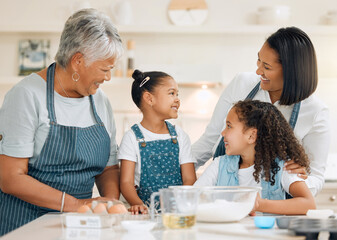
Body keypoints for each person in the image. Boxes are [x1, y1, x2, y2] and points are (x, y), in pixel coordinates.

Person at [0, 9, 123, 235]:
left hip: (80, 228)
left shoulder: (100, 101)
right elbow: (10, 178)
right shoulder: (26, 96)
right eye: (105, 69)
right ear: (78, 61)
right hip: (26, 227)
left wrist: (109, 203)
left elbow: (108, 167)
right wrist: (76, 205)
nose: (108, 77)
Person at [192, 27, 330, 197]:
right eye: (258, 61)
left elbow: (316, 176)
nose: (258, 71)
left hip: (275, 211)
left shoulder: (316, 112)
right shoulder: (242, 83)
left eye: (266, 66)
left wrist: (299, 180)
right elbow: (210, 139)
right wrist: (180, 170)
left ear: (291, 72)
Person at [195, 100, 316, 215]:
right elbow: (193, 196)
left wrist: (259, 204)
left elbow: (309, 204)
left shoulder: (282, 166)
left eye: (229, 126)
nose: (223, 133)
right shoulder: (219, 164)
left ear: (251, 136)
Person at [119, 69, 197, 214]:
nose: (177, 99)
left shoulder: (180, 136)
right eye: (171, 93)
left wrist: (179, 204)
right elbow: (126, 183)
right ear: (149, 98)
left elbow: (189, 179)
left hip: (177, 212)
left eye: (177, 94)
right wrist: (138, 205)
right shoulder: (131, 138)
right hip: (144, 215)